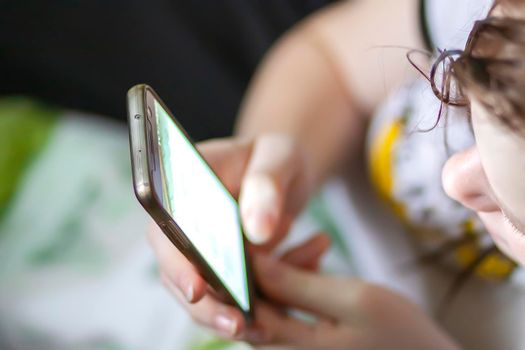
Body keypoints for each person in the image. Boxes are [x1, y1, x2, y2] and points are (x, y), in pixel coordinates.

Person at [149, 0, 525, 348]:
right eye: (465, 94)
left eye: (513, 215)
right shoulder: (490, 14)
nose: (453, 178)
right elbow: (332, 59)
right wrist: (270, 153)